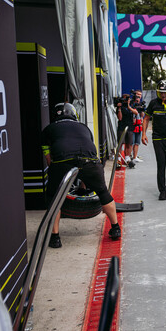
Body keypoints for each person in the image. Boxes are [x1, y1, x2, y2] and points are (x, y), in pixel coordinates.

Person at [41, 103, 121, 248]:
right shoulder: (84, 127)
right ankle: (115, 228)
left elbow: (49, 160)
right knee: (103, 192)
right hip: (90, 161)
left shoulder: (48, 130)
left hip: (62, 161)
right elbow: (88, 150)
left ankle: (55, 237)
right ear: (74, 115)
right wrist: (83, 187)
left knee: (53, 197)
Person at [116, 93, 135, 166]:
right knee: (121, 143)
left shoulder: (131, 106)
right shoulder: (120, 107)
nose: (125, 101)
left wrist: (129, 106)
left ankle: (127, 158)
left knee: (129, 143)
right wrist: (120, 108)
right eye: (124, 99)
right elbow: (120, 118)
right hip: (122, 127)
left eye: (127, 99)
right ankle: (119, 159)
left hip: (130, 127)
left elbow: (136, 113)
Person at [130, 90, 145, 162]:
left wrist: (142, 110)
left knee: (137, 142)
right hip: (132, 125)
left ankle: (135, 157)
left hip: (139, 125)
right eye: (138, 94)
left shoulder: (141, 104)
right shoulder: (131, 104)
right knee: (131, 142)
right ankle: (129, 156)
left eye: (140, 95)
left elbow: (142, 115)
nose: (139, 96)